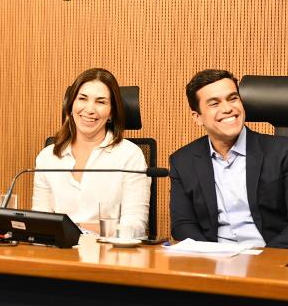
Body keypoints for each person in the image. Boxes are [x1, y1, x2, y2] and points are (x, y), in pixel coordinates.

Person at [170, 69, 288, 248]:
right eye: (214, 103)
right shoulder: (182, 161)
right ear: (197, 117)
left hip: (272, 259)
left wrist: (265, 260)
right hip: (215, 262)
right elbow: (183, 225)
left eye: (233, 98)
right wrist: (211, 256)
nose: (227, 108)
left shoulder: (282, 152)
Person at [32, 68, 150, 237]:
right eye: (82, 99)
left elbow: (135, 226)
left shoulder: (130, 155)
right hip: (58, 254)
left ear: (111, 113)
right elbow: (40, 222)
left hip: (109, 256)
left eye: (100, 102)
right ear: (71, 106)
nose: (89, 109)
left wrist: (74, 227)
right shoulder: (47, 157)